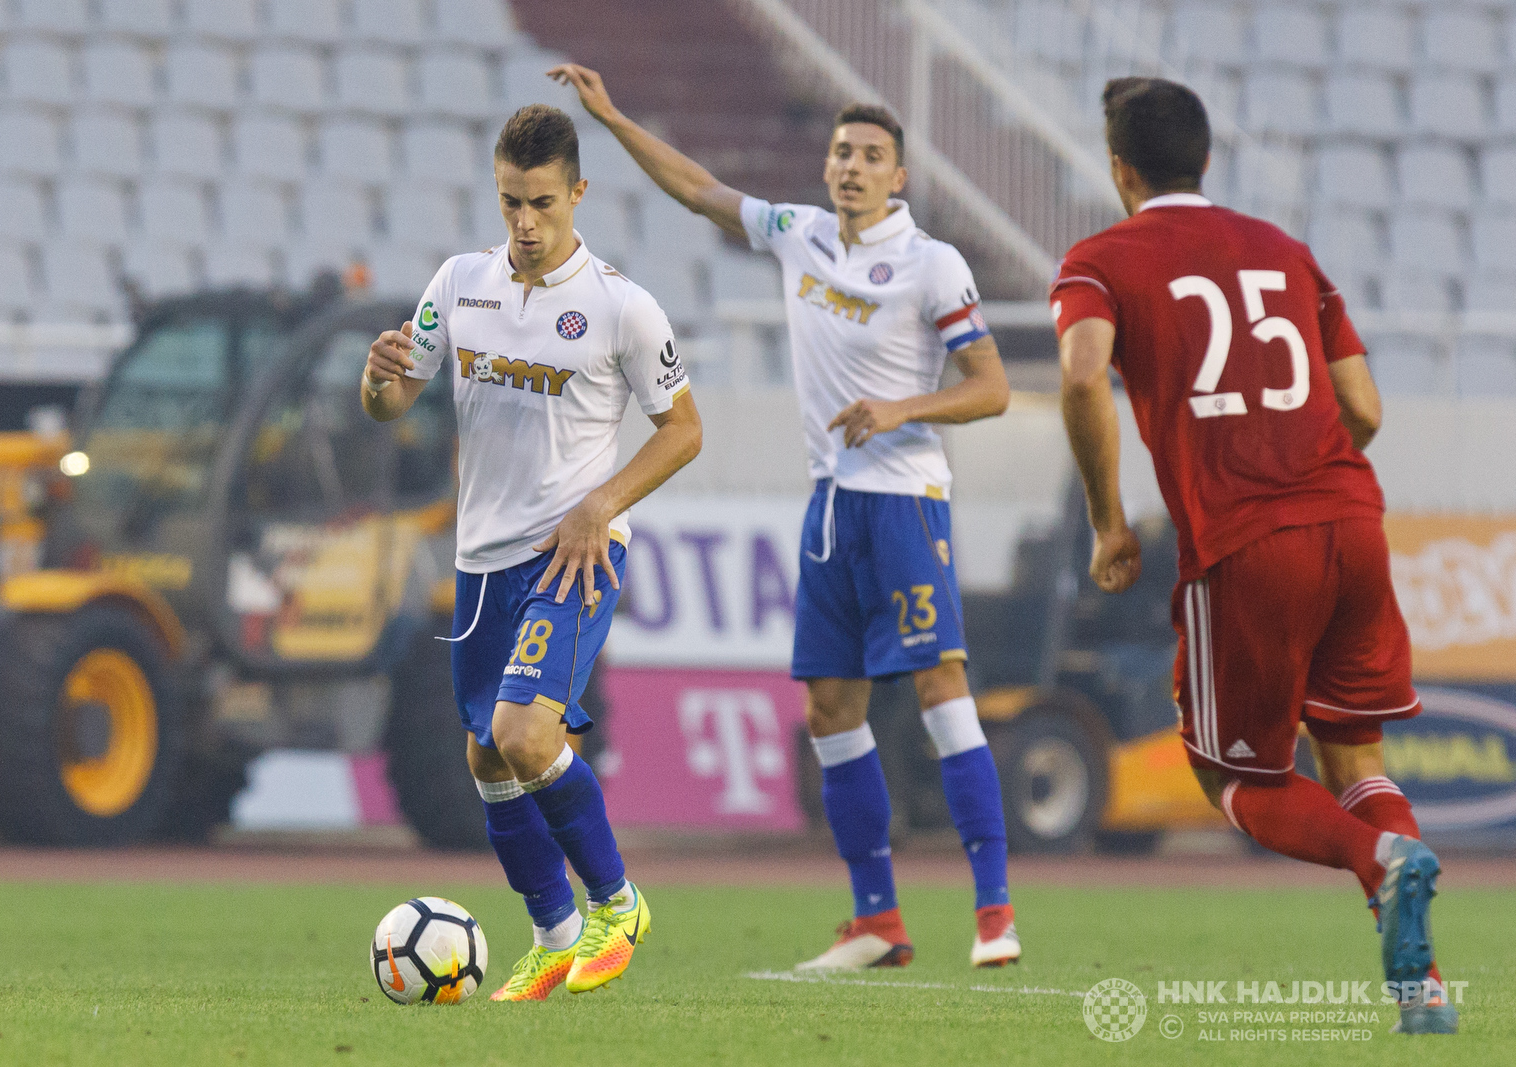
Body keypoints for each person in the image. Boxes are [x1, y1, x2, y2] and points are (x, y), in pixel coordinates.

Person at [552, 64, 1019, 971]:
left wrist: (899, 409)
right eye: (842, 151)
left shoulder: (933, 265)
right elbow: (697, 191)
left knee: (939, 689)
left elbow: (993, 387)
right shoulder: (798, 235)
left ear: (900, 178)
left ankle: (995, 908)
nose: (850, 166)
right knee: (829, 708)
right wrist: (610, 116)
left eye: (871, 156)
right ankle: (876, 919)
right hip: (830, 512)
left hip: (905, 505)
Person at [1054, 77, 1456, 1035]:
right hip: (1354, 520)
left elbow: (1079, 377)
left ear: (1120, 170)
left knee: (1232, 777)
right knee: (1355, 751)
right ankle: (1424, 988)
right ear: (1205, 159)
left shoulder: (1102, 259)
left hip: (1247, 542)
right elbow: (1364, 409)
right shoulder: (1286, 253)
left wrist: (1109, 519)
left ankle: (1377, 863)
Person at [361, 104, 702, 1001]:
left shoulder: (622, 307)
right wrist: (378, 381)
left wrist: (603, 503)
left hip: (572, 557)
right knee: (485, 755)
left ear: (578, 193)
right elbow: (394, 402)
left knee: (523, 733)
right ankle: (553, 931)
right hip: (481, 564)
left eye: (543, 202)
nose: (525, 221)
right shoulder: (460, 283)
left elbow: (685, 431)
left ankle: (617, 903)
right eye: (511, 200)